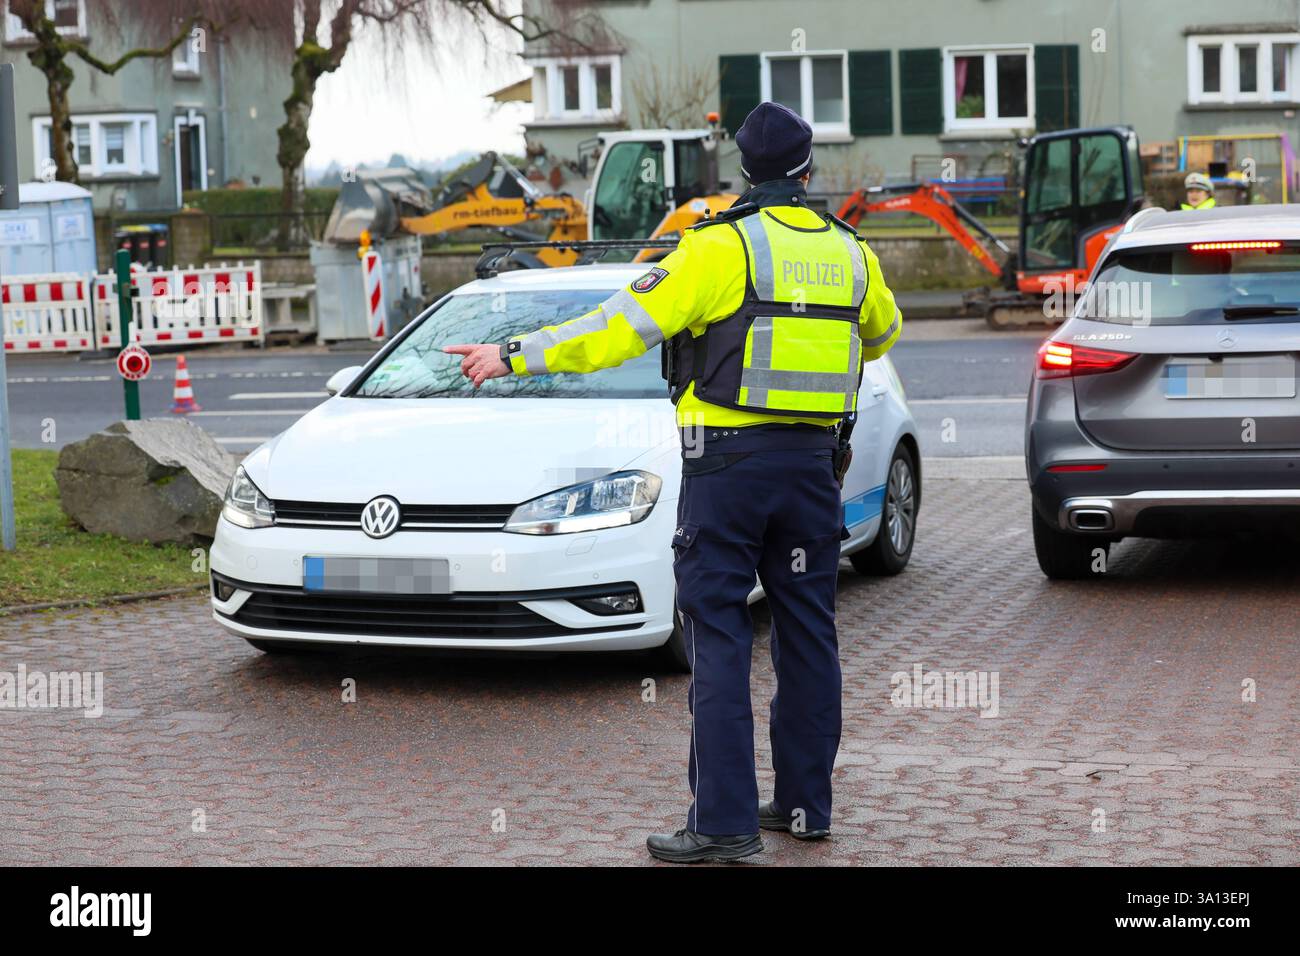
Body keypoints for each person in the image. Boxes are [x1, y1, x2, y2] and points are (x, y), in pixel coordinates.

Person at [444, 101, 901, 863]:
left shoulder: (718, 248)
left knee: (720, 636)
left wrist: (513, 355)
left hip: (727, 470)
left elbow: (619, 326)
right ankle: (805, 806)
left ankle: (723, 825)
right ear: (808, 169)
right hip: (814, 473)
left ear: (744, 171)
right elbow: (881, 331)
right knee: (809, 635)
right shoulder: (853, 252)